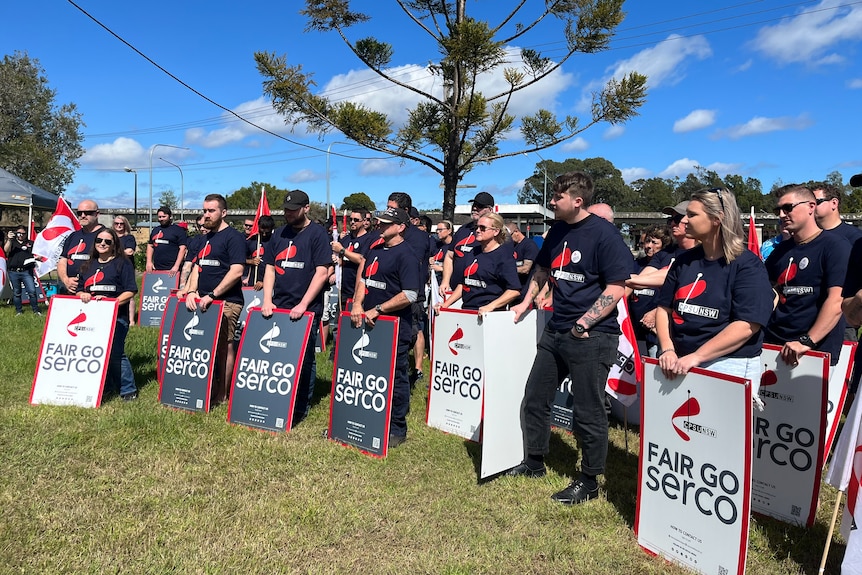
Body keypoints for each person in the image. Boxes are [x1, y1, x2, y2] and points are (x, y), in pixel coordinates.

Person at [508, 172, 632, 506]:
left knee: (588, 411)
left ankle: (589, 480)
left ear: (577, 201)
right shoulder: (558, 229)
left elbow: (617, 286)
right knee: (535, 397)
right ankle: (534, 461)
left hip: (592, 336)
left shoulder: (605, 235)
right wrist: (524, 301)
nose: (551, 201)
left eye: (557, 197)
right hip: (557, 329)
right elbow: (542, 268)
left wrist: (584, 323)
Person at [655, 188, 773, 387]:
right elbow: (664, 309)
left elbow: (747, 326)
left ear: (717, 218)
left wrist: (698, 356)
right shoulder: (683, 261)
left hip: (728, 363)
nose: (685, 221)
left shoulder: (747, 265)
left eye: (692, 215)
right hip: (679, 360)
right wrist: (667, 349)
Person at [350, 207, 421, 448]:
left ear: (400, 227)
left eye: (386, 224)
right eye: (379, 222)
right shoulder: (375, 249)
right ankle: (362, 420)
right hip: (367, 324)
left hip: (395, 328)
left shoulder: (407, 255)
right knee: (365, 376)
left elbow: (410, 294)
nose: (380, 226)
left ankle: (396, 428)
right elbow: (363, 280)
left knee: (396, 378)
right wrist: (358, 303)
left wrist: (378, 309)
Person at [261, 189, 331, 426]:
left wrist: (303, 304)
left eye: (294, 210)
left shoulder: (317, 235)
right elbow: (270, 267)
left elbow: (322, 271)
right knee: (278, 355)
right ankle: (279, 398)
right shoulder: (278, 234)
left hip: (306, 309)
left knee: (306, 358)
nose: (289, 214)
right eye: (286, 210)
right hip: (278, 306)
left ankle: (301, 405)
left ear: (306, 208)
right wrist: (267, 300)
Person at [764, 184, 849, 368]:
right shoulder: (780, 251)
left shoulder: (835, 246)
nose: (781, 215)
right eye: (777, 209)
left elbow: (836, 301)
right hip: (773, 345)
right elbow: (767, 291)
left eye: (788, 208)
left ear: (811, 206)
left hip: (813, 351)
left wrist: (807, 341)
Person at [179, 194, 246, 404]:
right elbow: (199, 268)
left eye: (211, 211)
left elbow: (236, 271)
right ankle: (211, 387)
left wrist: (213, 294)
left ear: (223, 213)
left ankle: (222, 394)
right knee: (211, 347)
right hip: (205, 301)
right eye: (204, 211)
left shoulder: (233, 237)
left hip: (228, 302)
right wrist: (191, 291)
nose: (206, 215)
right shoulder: (205, 239)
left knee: (225, 347)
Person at [78, 227, 138, 401]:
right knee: (97, 352)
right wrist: (82, 294)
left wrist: (110, 303)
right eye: (99, 241)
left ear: (114, 245)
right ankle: (107, 385)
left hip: (117, 317)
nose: (102, 244)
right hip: (92, 319)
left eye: (107, 242)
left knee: (115, 352)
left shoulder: (122, 263)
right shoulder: (88, 265)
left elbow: (130, 290)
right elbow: (80, 290)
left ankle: (128, 389)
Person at [436, 213, 520, 315]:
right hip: (468, 311)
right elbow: (464, 284)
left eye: (483, 228)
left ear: (496, 231)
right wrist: (445, 305)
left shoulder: (504, 256)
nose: (477, 230)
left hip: (490, 315)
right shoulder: (473, 252)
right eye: (477, 227)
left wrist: (491, 306)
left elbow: (514, 290)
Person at [387, 192, 431, 383]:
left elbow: (413, 263)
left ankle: (417, 369)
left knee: (414, 331)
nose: (389, 212)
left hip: (411, 294)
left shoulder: (419, 237)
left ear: (405, 211)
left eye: (393, 209)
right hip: (389, 293)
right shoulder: (386, 231)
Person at [628, 224, 672, 356]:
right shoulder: (635, 264)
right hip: (633, 332)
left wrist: (655, 313)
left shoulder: (669, 267)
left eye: (654, 242)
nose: (649, 246)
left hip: (654, 335)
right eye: (647, 241)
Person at [440, 191, 495, 297]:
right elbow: (449, 256)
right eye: (474, 205)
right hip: (455, 291)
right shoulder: (463, 230)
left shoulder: (495, 232)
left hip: (481, 295)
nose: (474, 208)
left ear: (490, 210)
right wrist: (445, 281)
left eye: (480, 206)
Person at [58, 199, 106, 295]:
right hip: (71, 290)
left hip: (95, 292)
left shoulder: (106, 236)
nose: (83, 216)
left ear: (97, 214)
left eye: (88, 213)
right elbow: (62, 260)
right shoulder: (73, 236)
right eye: (79, 213)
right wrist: (66, 280)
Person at [4, 225, 41, 316]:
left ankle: (36, 310)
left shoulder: (30, 243)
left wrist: (38, 257)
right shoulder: (12, 242)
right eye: (19, 233)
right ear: (16, 233)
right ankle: (19, 311)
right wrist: (9, 239)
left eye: (23, 233)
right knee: (17, 292)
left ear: (26, 234)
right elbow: (6, 250)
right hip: (14, 271)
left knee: (32, 291)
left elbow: (37, 253)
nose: (21, 235)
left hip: (27, 271)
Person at [146, 205, 187, 275]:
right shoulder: (155, 230)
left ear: (170, 216)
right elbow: (150, 246)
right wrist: (149, 262)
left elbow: (183, 248)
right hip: (156, 268)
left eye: (164, 216)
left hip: (172, 269)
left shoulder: (178, 230)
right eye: (159, 217)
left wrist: (176, 266)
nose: (161, 219)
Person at [112, 215, 137, 324]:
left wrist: (112, 252)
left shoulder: (129, 238)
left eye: (121, 224)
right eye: (116, 223)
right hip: (112, 268)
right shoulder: (110, 237)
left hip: (126, 268)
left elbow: (130, 252)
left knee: (129, 294)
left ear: (125, 225)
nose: (118, 226)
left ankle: (131, 321)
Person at [506, 222, 539, 297]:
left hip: (526, 289)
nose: (508, 239)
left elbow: (525, 269)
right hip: (513, 288)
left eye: (509, 236)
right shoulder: (511, 246)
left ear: (516, 231)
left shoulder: (529, 245)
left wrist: (506, 270)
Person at [244, 215, 275, 290]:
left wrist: (265, 282)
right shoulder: (251, 241)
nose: (264, 234)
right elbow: (239, 259)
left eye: (267, 232)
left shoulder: (276, 241)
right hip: (253, 283)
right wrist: (250, 261)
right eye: (262, 231)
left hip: (271, 285)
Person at [179, 214, 207, 291]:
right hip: (194, 281)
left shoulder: (220, 239)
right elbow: (187, 265)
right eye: (199, 226)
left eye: (204, 226)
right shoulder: (195, 241)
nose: (202, 228)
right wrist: (182, 287)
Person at [430, 220, 453, 284]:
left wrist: (441, 269)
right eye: (437, 230)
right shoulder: (437, 245)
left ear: (449, 231)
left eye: (440, 230)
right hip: (436, 281)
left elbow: (458, 266)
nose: (438, 232)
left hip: (448, 283)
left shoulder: (454, 246)